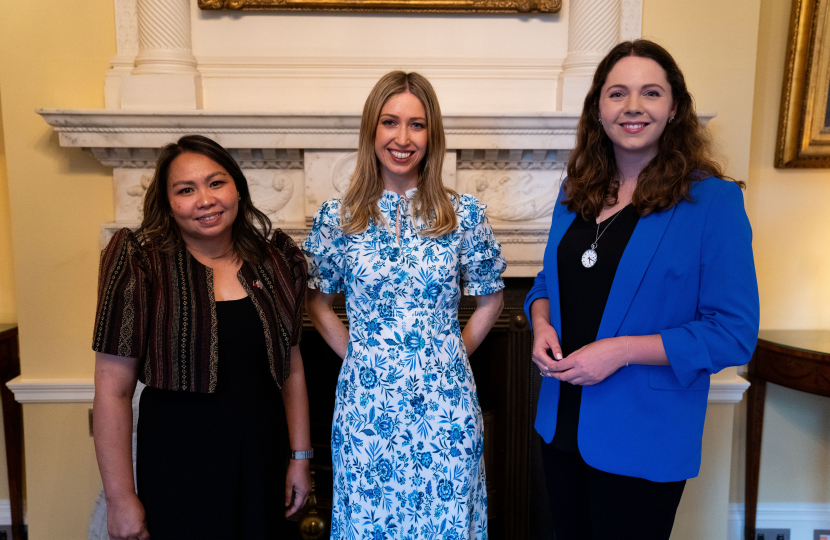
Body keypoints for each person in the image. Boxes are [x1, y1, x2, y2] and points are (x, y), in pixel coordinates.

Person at [524, 40, 760, 540]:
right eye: (617, 93)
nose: (633, 106)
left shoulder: (713, 202)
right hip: (560, 423)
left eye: (650, 93)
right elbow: (548, 282)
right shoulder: (576, 191)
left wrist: (621, 352)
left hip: (644, 435)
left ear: (674, 108)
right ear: (598, 109)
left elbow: (733, 333)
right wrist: (541, 322)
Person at [303, 71, 505, 540]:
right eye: (390, 122)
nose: (402, 137)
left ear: (431, 134)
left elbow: (491, 302)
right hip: (365, 405)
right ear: (371, 129)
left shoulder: (463, 214)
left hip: (445, 407)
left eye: (416, 124)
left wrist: (446, 354)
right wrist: (362, 355)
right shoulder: (339, 217)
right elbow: (318, 303)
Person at [92, 135, 312, 540]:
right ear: (168, 203)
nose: (205, 199)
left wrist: (300, 458)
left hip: (263, 455)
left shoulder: (275, 261)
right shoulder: (142, 262)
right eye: (186, 190)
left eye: (216, 183)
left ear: (237, 189)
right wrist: (121, 498)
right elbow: (112, 390)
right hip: (179, 460)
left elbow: (292, 366)